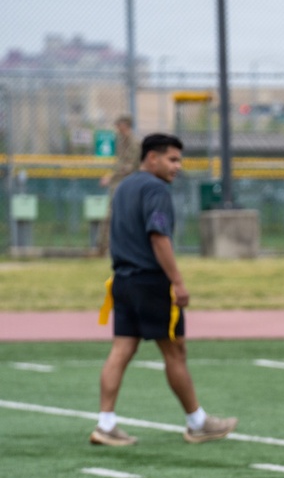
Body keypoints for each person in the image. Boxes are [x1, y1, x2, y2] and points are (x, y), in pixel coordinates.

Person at [91, 133, 238, 446]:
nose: (177, 166)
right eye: (172, 159)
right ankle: (197, 422)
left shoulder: (125, 186)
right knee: (175, 350)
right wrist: (178, 281)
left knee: (121, 350)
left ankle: (105, 423)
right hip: (150, 283)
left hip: (122, 280)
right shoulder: (155, 189)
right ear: (152, 157)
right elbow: (159, 237)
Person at [96, 114, 142, 255]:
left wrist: (111, 176)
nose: (117, 128)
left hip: (127, 183)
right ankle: (103, 247)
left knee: (121, 216)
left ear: (125, 125)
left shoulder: (133, 143)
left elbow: (130, 166)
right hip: (121, 182)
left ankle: (111, 247)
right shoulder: (122, 141)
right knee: (114, 215)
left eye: (119, 125)